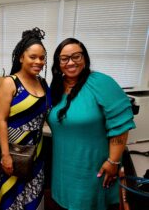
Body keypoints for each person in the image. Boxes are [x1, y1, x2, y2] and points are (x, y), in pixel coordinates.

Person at [47, 37, 136, 210]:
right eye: (64, 59)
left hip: (91, 169)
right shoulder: (57, 87)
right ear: (58, 63)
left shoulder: (101, 82)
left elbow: (121, 124)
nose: (71, 62)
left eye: (76, 56)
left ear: (85, 58)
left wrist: (113, 161)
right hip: (63, 170)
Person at [0, 27, 51, 210]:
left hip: (36, 148)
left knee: (33, 190)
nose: (38, 61)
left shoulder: (42, 82)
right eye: (33, 57)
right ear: (21, 57)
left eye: (42, 58)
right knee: (10, 193)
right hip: (13, 147)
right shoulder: (10, 82)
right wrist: (6, 155)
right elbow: (1, 120)